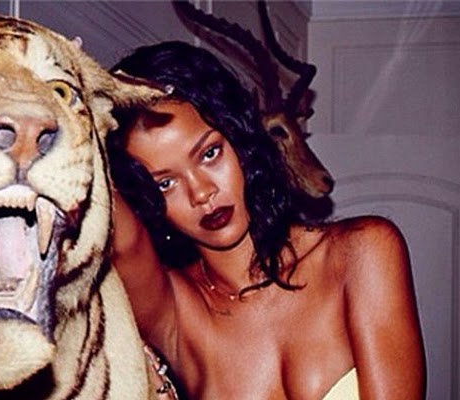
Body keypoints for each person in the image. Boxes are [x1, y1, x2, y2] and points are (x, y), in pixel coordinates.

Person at [107, 41, 425, 400]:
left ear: (240, 139)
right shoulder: (175, 309)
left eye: (210, 153)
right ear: (145, 199)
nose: (202, 193)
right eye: (165, 183)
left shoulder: (360, 252)